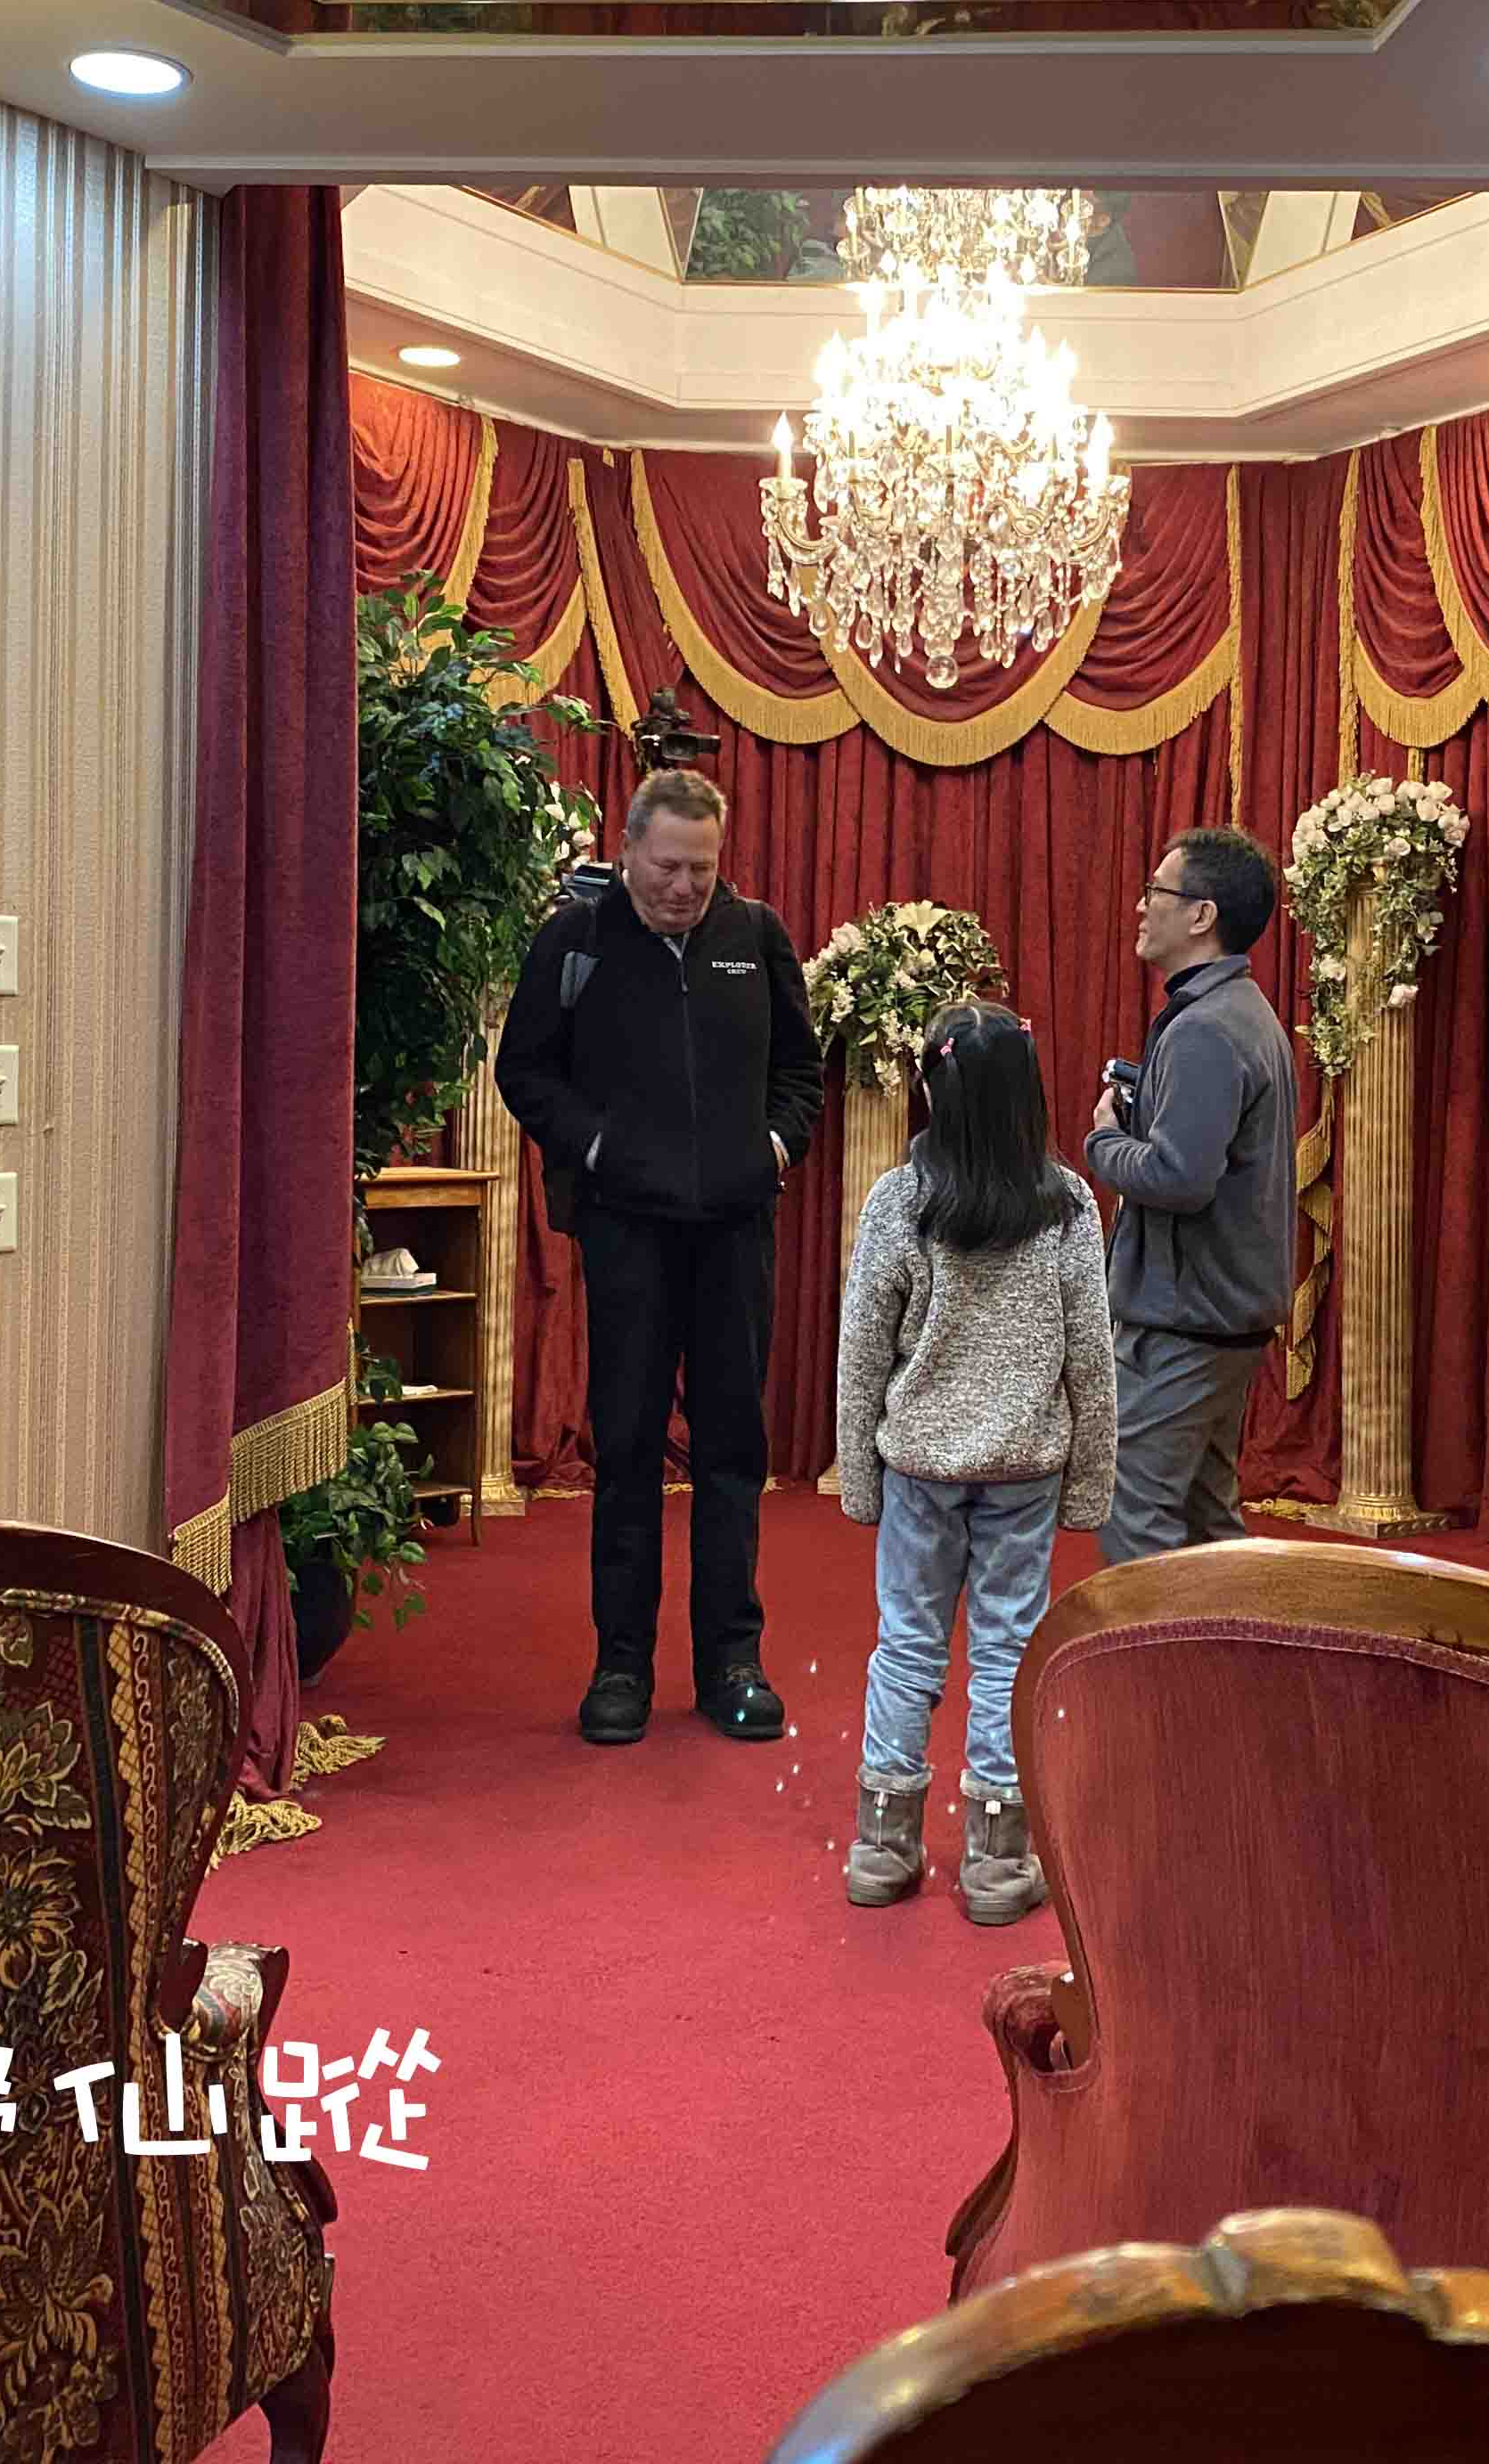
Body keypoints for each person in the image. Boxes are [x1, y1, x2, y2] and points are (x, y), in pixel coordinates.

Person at [495, 770, 821, 1746]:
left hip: (734, 1232)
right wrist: (598, 1148)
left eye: (702, 870)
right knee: (629, 1448)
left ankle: (732, 1662)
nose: (685, 888)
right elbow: (524, 1071)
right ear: (629, 850)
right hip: (626, 1231)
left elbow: (800, 1073)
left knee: (732, 1450)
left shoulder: (756, 937)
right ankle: (622, 1666)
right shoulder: (576, 941)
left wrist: (774, 1147)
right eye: (669, 867)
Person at [833, 1002, 1114, 1926]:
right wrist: (1091, 1483)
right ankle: (996, 1862)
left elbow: (862, 1350)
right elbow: (1092, 1357)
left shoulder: (899, 1201)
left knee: (907, 1644)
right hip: (1024, 1470)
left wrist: (858, 1475)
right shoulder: (1066, 1205)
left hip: (919, 1468)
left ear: (934, 1091)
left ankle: (883, 1847)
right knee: (1007, 1650)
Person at [1083, 826, 1295, 1565]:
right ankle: (1231, 1647)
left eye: (1156, 892)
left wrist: (1105, 1139)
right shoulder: (1238, 1010)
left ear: (1202, 915)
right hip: (1218, 1317)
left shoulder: (1206, 1027)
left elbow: (1180, 1179)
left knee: (1131, 1514)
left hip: (1185, 1325)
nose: (1142, 907)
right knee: (1209, 1527)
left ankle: (1155, 1650)